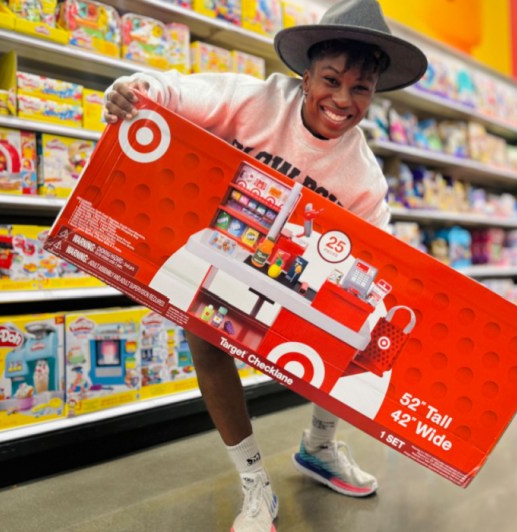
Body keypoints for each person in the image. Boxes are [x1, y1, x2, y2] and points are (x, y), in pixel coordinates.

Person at [103, 1, 427, 530]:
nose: (343, 101)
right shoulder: (256, 101)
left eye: (361, 89)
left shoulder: (364, 178)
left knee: (356, 336)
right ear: (305, 75)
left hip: (296, 276)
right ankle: (255, 485)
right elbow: (180, 93)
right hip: (220, 247)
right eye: (331, 80)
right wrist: (137, 90)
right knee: (202, 332)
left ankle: (320, 446)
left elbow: (378, 264)